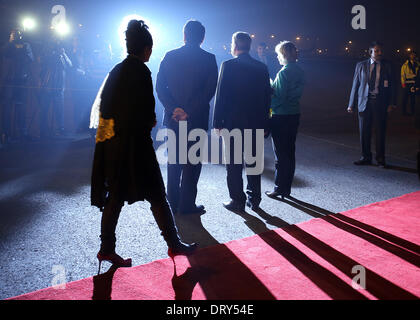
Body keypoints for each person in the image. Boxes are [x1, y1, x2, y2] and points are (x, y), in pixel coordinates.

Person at [90, 20, 197, 270]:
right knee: (157, 195)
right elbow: (148, 115)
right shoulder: (141, 72)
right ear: (146, 48)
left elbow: (106, 111)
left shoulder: (117, 70)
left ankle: (107, 249)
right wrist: (149, 122)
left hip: (115, 146)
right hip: (136, 146)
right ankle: (174, 243)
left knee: (115, 198)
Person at [156, 20, 218, 215]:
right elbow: (209, 90)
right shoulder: (209, 58)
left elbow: (160, 87)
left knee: (173, 161)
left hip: (173, 119)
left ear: (184, 35)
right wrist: (188, 111)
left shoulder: (170, 55)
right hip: (196, 119)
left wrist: (174, 108)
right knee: (192, 164)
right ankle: (187, 205)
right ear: (202, 37)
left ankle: (172, 202)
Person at [213, 32, 271, 211]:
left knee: (234, 164)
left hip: (232, 123)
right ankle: (255, 199)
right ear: (250, 46)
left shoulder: (228, 65)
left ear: (235, 45)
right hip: (255, 123)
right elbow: (266, 98)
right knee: (253, 163)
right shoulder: (261, 67)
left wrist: (217, 122)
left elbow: (220, 95)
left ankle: (237, 200)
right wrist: (266, 124)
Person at [265, 41, 305, 200]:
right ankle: (286, 188)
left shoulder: (283, 72)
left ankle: (279, 187)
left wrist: (270, 90)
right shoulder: (300, 71)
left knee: (280, 155)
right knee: (290, 152)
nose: (277, 57)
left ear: (283, 54)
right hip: (294, 113)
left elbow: (278, 97)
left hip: (281, 115)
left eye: (278, 54)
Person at [347, 41, 397, 168]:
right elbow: (355, 85)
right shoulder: (361, 65)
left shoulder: (388, 66)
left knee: (380, 131)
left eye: (381, 51)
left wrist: (392, 103)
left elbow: (392, 87)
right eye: (377, 51)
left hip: (380, 102)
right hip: (364, 102)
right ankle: (365, 157)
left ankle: (381, 159)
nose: (380, 53)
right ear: (371, 52)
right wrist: (351, 104)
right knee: (364, 131)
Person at [0, 28, 34, 144]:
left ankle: (22, 132)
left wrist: (20, 50)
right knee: (7, 108)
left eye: (17, 34)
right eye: (13, 34)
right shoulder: (7, 46)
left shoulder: (26, 45)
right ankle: (6, 133)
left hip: (21, 80)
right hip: (10, 81)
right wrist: (11, 43)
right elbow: (3, 53)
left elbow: (30, 59)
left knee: (21, 107)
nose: (16, 36)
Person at [38, 35, 72, 138]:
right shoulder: (47, 52)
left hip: (59, 87)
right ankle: (43, 130)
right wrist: (51, 52)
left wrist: (63, 54)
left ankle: (60, 129)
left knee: (59, 110)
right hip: (47, 86)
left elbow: (70, 65)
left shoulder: (62, 54)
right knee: (44, 109)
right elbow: (42, 63)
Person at [401, 51, 419, 116]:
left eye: (414, 55)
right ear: (409, 56)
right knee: (405, 98)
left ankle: (413, 111)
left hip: (414, 83)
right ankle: (404, 112)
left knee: (413, 99)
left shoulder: (417, 64)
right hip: (407, 83)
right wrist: (403, 83)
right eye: (411, 55)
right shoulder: (405, 65)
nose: (413, 56)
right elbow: (402, 75)